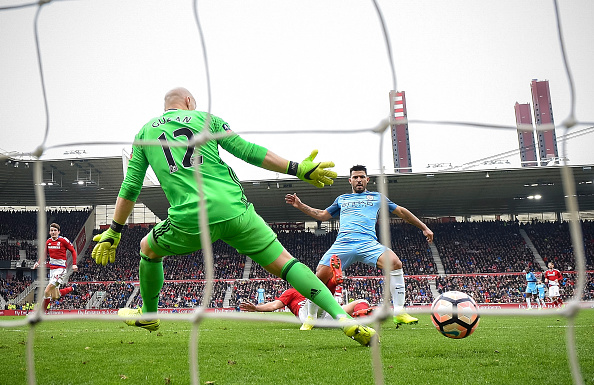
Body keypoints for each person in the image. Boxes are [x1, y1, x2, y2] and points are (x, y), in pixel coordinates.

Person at [91, 87, 376, 346]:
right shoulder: (206, 119)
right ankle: (342, 318)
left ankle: (150, 314)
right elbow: (248, 152)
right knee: (288, 264)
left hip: (191, 219)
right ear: (189, 102)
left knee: (147, 249)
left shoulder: (143, 134)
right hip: (236, 210)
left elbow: (131, 186)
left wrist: (115, 230)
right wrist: (297, 168)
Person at [285, 164, 434, 330]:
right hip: (343, 244)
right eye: (355, 177)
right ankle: (311, 318)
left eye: (362, 177)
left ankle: (399, 312)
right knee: (320, 276)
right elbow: (322, 215)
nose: (359, 180)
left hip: (368, 243)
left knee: (395, 263)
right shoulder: (342, 199)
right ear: (350, 181)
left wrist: (424, 227)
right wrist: (301, 205)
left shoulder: (377, 197)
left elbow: (401, 212)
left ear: (367, 179)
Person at [240, 255, 373, 322]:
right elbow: (275, 305)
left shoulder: (299, 289)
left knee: (363, 302)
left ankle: (359, 315)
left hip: (325, 314)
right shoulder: (291, 292)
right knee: (315, 294)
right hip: (307, 314)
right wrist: (257, 308)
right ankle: (333, 281)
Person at [33, 223, 78, 313]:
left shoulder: (63, 240)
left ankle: (41, 313)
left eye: (55, 230)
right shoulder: (48, 241)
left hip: (60, 270)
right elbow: (45, 254)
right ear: (49, 232)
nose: (53, 232)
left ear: (58, 232)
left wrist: (74, 264)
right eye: (51, 230)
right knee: (55, 296)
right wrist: (38, 263)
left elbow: (73, 251)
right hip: (52, 271)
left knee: (46, 291)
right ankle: (72, 288)